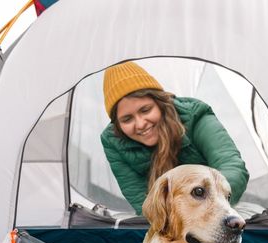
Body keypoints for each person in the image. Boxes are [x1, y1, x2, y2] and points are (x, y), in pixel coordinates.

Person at [100, 61, 249, 215]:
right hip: (169, 219)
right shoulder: (113, 141)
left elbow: (233, 167)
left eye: (145, 110)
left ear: (160, 103)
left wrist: (205, 206)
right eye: (127, 119)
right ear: (117, 124)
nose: (140, 124)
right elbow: (141, 201)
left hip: (216, 209)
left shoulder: (195, 116)